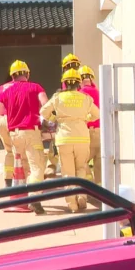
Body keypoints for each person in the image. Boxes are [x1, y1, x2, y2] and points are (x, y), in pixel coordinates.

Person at [0, 60, 49, 214]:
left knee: (24, 166)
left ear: (12, 76)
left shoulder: (6, 91)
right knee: (37, 167)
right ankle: (34, 198)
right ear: (27, 74)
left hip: (14, 135)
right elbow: (45, 105)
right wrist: (47, 121)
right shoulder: (36, 87)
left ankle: (24, 196)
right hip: (31, 132)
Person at [40, 69, 99, 212]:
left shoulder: (57, 97)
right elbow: (97, 114)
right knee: (81, 169)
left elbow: (43, 113)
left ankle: (72, 205)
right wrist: (84, 118)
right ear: (79, 83)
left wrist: (53, 121)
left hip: (64, 139)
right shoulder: (85, 98)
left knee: (67, 172)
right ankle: (82, 197)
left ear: (65, 83)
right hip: (82, 138)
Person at [78, 65, 101, 187]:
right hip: (101, 132)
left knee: (82, 160)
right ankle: (101, 189)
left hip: (88, 132)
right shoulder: (99, 92)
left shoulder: (80, 94)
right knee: (99, 163)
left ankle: (89, 185)